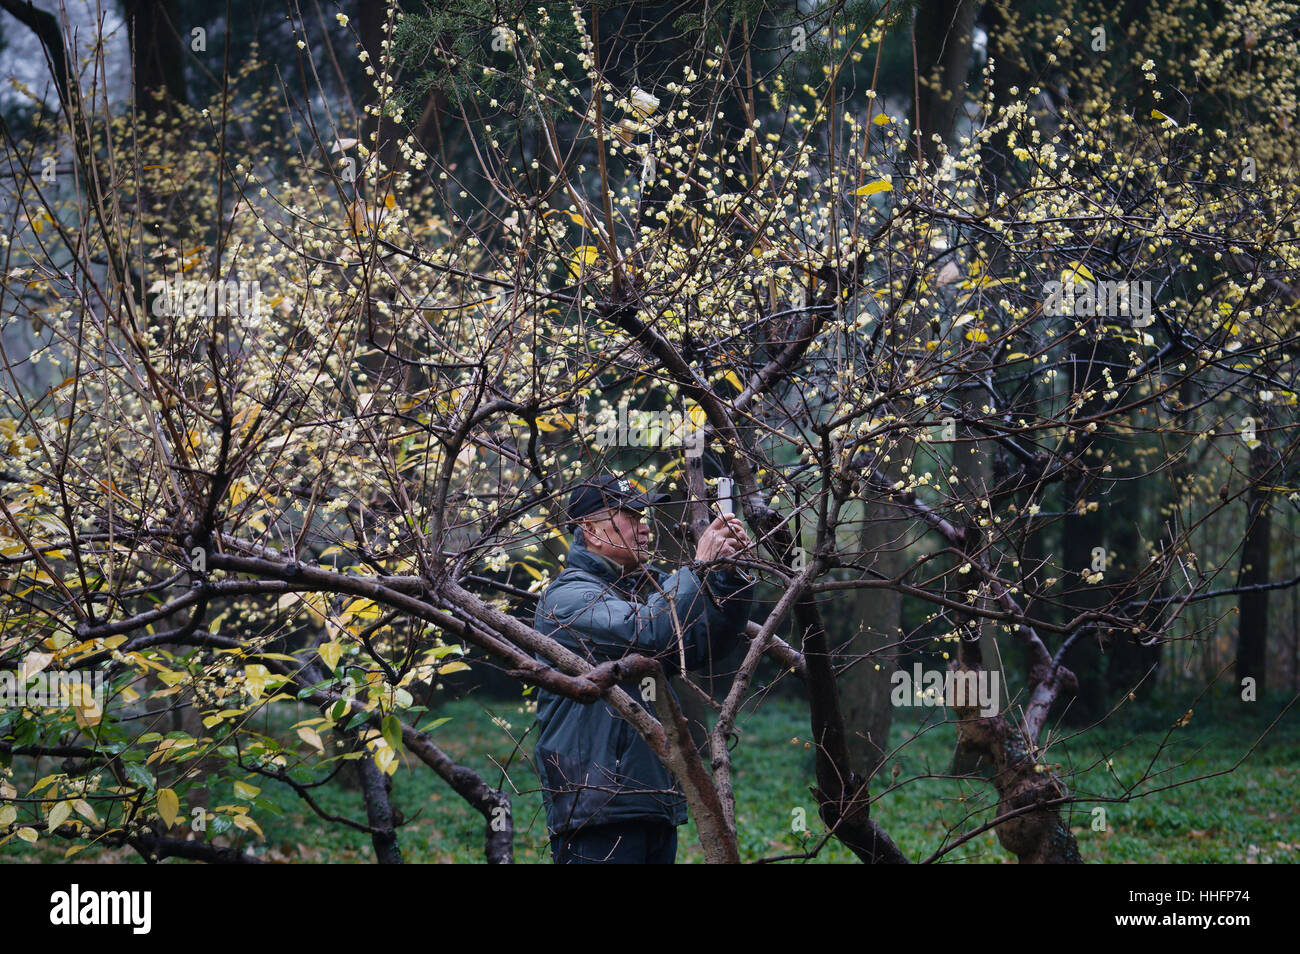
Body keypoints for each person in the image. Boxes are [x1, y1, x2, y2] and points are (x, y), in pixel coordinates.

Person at [532, 474, 755, 863]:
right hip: (597, 806)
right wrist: (700, 566)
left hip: (652, 798)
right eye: (630, 515)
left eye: (645, 515)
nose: (645, 526)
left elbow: (703, 644)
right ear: (589, 529)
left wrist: (728, 575)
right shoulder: (568, 598)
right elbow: (650, 632)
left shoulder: (646, 589)